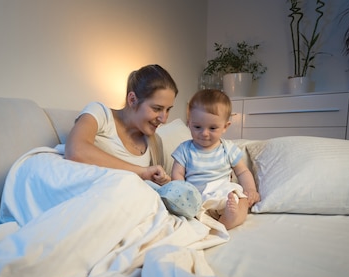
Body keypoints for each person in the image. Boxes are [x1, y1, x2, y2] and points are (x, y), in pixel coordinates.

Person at [64, 64, 177, 185]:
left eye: (168, 109)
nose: (164, 119)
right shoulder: (101, 114)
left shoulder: (155, 143)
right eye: (157, 108)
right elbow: (75, 151)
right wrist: (142, 172)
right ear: (132, 99)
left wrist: (163, 182)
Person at [170, 89, 260, 229]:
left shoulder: (228, 148)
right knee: (177, 203)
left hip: (223, 195)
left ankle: (229, 219)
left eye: (212, 128)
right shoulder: (184, 149)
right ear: (189, 123)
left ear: (225, 127)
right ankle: (206, 220)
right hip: (196, 198)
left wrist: (250, 190)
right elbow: (177, 174)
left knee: (241, 199)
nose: (204, 133)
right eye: (197, 127)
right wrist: (182, 192)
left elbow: (242, 172)